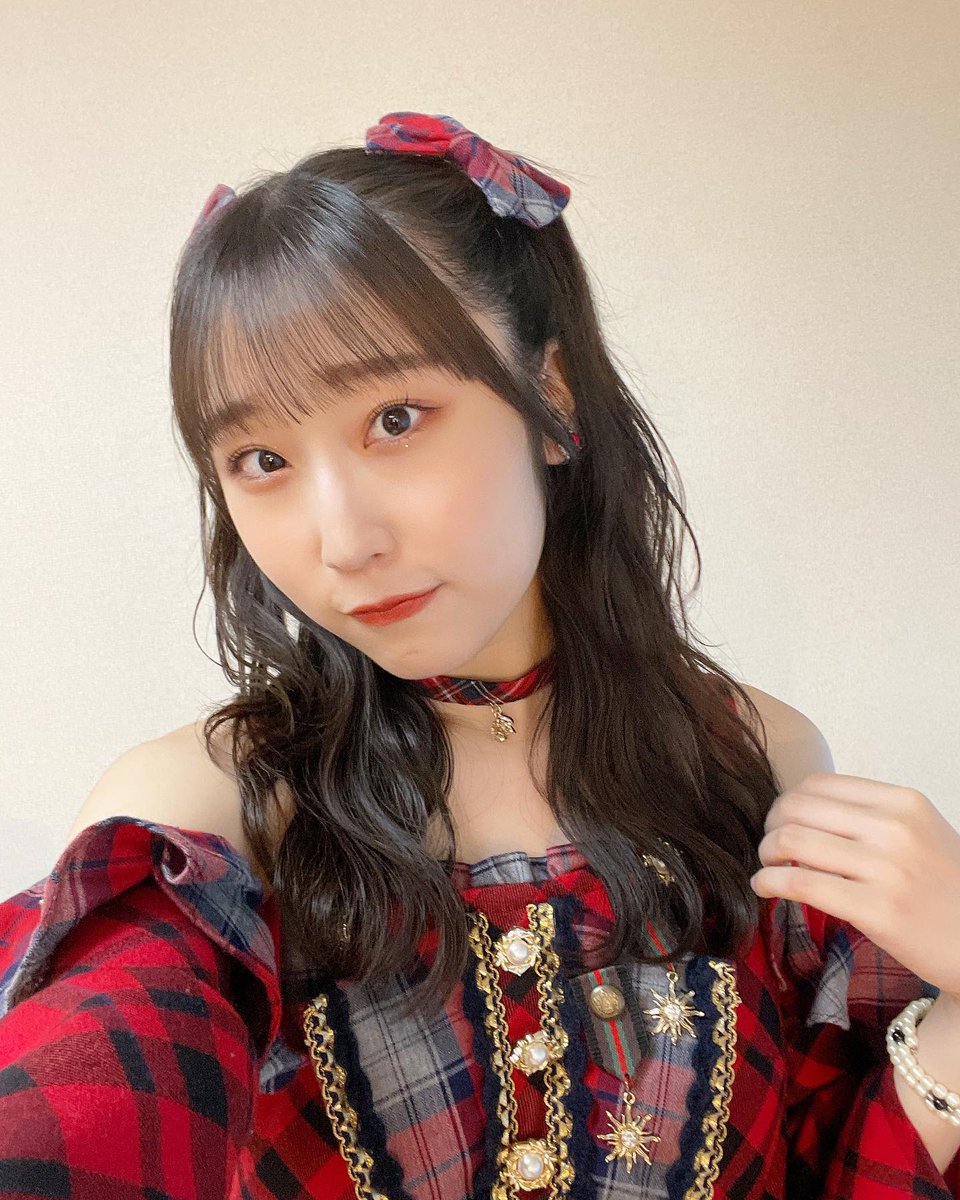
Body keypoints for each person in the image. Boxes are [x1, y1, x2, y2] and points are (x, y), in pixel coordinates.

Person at [1, 110, 958, 1200]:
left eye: (396, 418)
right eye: (262, 459)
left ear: (550, 397)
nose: (342, 541)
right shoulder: (207, 811)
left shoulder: (753, 755)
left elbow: (832, 1165)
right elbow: (78, 1101)